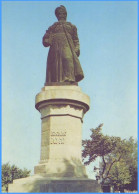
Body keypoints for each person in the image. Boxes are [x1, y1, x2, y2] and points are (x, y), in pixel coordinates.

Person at [42, 5, 84, 85]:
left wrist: (76, 49)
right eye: (59, 14)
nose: (61, 15)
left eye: (63, 13)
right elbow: (45, 40)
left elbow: (76, 40)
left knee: (67, 59)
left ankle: (69, 79)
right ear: (57, 15)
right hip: (55, 48)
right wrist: (46, 38)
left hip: (67, 46)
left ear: (66, 14)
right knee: (55, 63)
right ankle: (55, 81)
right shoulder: (53, 27)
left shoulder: (71, 27)